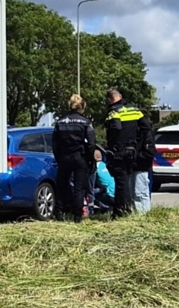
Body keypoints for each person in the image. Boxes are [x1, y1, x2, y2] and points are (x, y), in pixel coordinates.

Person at [104, 87, 151, 218]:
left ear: (110, 99)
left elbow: (115, 128)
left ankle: (122, 210)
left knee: (121, 182)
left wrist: (111, 146)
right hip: (132, 151)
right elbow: (146, 127)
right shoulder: (135, 110)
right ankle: (123, 209)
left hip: (119, 151)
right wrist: (135, 142)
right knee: (127, 181)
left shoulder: (113, 111)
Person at [52, 94, 96, 222]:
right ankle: (77, 216)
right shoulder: (86, 122)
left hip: (64, 157)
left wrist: (59, 158)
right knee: (79, 188)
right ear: (82, 107)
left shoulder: (60, 122)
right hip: (80, 158)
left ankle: (59, 213)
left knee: (61, 186)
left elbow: (55, 144)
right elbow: (91, 143)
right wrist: (89, 159)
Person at [133, 118, 156, 213]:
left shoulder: (146, 135)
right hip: (136, 166)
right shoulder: (139, 134)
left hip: (142, 167)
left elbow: (149, 153)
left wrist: (135, 156)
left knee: (140, 193)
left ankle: (143, 214)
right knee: (136, 193)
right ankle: (138, 214)